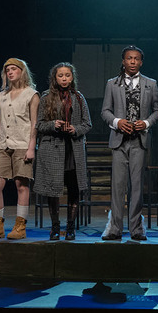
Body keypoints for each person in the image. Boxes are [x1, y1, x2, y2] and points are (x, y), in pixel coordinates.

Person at [101, 46, 158, 241]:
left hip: (139, 141)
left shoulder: (150, 84)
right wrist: (118, 122)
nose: (133, 62)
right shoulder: (112, 84)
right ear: (123, 61)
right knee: (118, 186)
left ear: (141, 62)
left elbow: (157, 111)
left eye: (136, 59)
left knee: (136, 186)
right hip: (119, 141)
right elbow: (105, 111)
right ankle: (115, 227)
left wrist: (145, 123)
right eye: (129, 58)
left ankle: (136, 227)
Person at [35, 63, 91, 240]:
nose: (64, 79)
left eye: (67, 75)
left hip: (73, 150)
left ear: (72, 77)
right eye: (61, 76)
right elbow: (40, 124)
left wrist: (75, 129)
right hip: (53, 148)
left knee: (73, 189)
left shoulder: (79, 97)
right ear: (55, 78)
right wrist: (54, 125)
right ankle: (55, 227)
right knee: (53, 190)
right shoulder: (46, 97)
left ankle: (71, 227)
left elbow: (87, 124)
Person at [0, 58, 39, 240]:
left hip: (22, 144)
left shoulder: (31, 94)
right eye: (7, 69)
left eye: (14, 69)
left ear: (22, 71)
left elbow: (34, 124)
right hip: (3, 145)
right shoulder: (2, 95)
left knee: (21, 185)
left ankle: (20, 227)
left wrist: (31, 147)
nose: (10, 72)